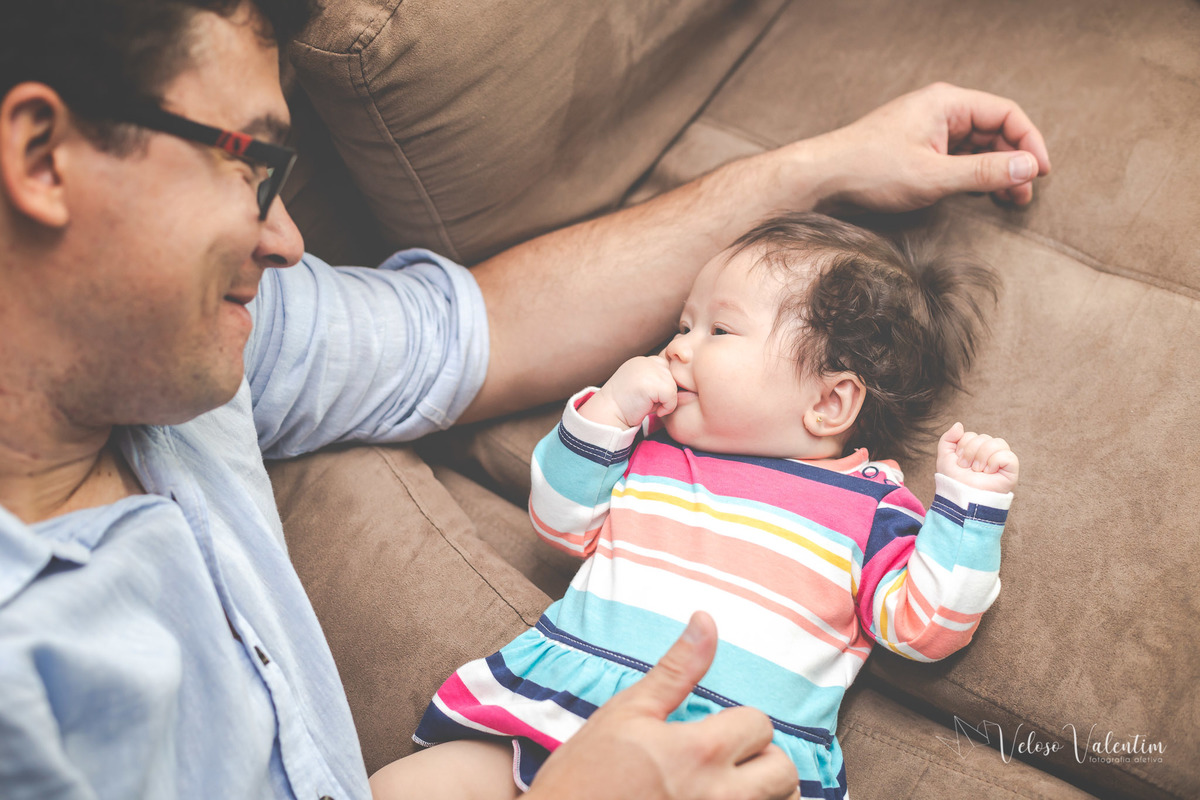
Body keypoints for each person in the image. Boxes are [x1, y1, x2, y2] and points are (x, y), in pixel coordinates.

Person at [0, 0, 1048, 796]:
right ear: (44, 157)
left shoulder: (201, 332)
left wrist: (820, 168)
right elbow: (568, 505)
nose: (289, 240)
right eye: (253, 168)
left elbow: (469, 329)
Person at [380, 213, 1020, 800]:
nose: (678, 347)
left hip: (728, 763)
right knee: (415, 785)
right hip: (566, 707)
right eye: (684, 325)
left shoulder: (869, 508)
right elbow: (559, 520)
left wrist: (968, 510)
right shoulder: (649, 448)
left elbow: (922, 629)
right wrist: (609, 409)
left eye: (720, 330)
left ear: (829, 403)